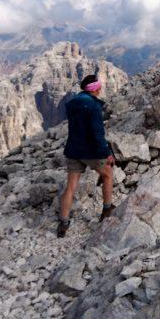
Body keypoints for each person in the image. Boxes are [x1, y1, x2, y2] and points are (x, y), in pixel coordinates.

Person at [57, 74, 115, 238]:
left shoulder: (72, 103)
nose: (101, 88)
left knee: (71, 186)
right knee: (108, 174)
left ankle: (63, 221)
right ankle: (107, 209)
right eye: (99, 86)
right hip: (90, 151)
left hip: (73, 149)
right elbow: (97, 133)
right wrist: (107, 153)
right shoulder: (94, 107)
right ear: (96, 89)